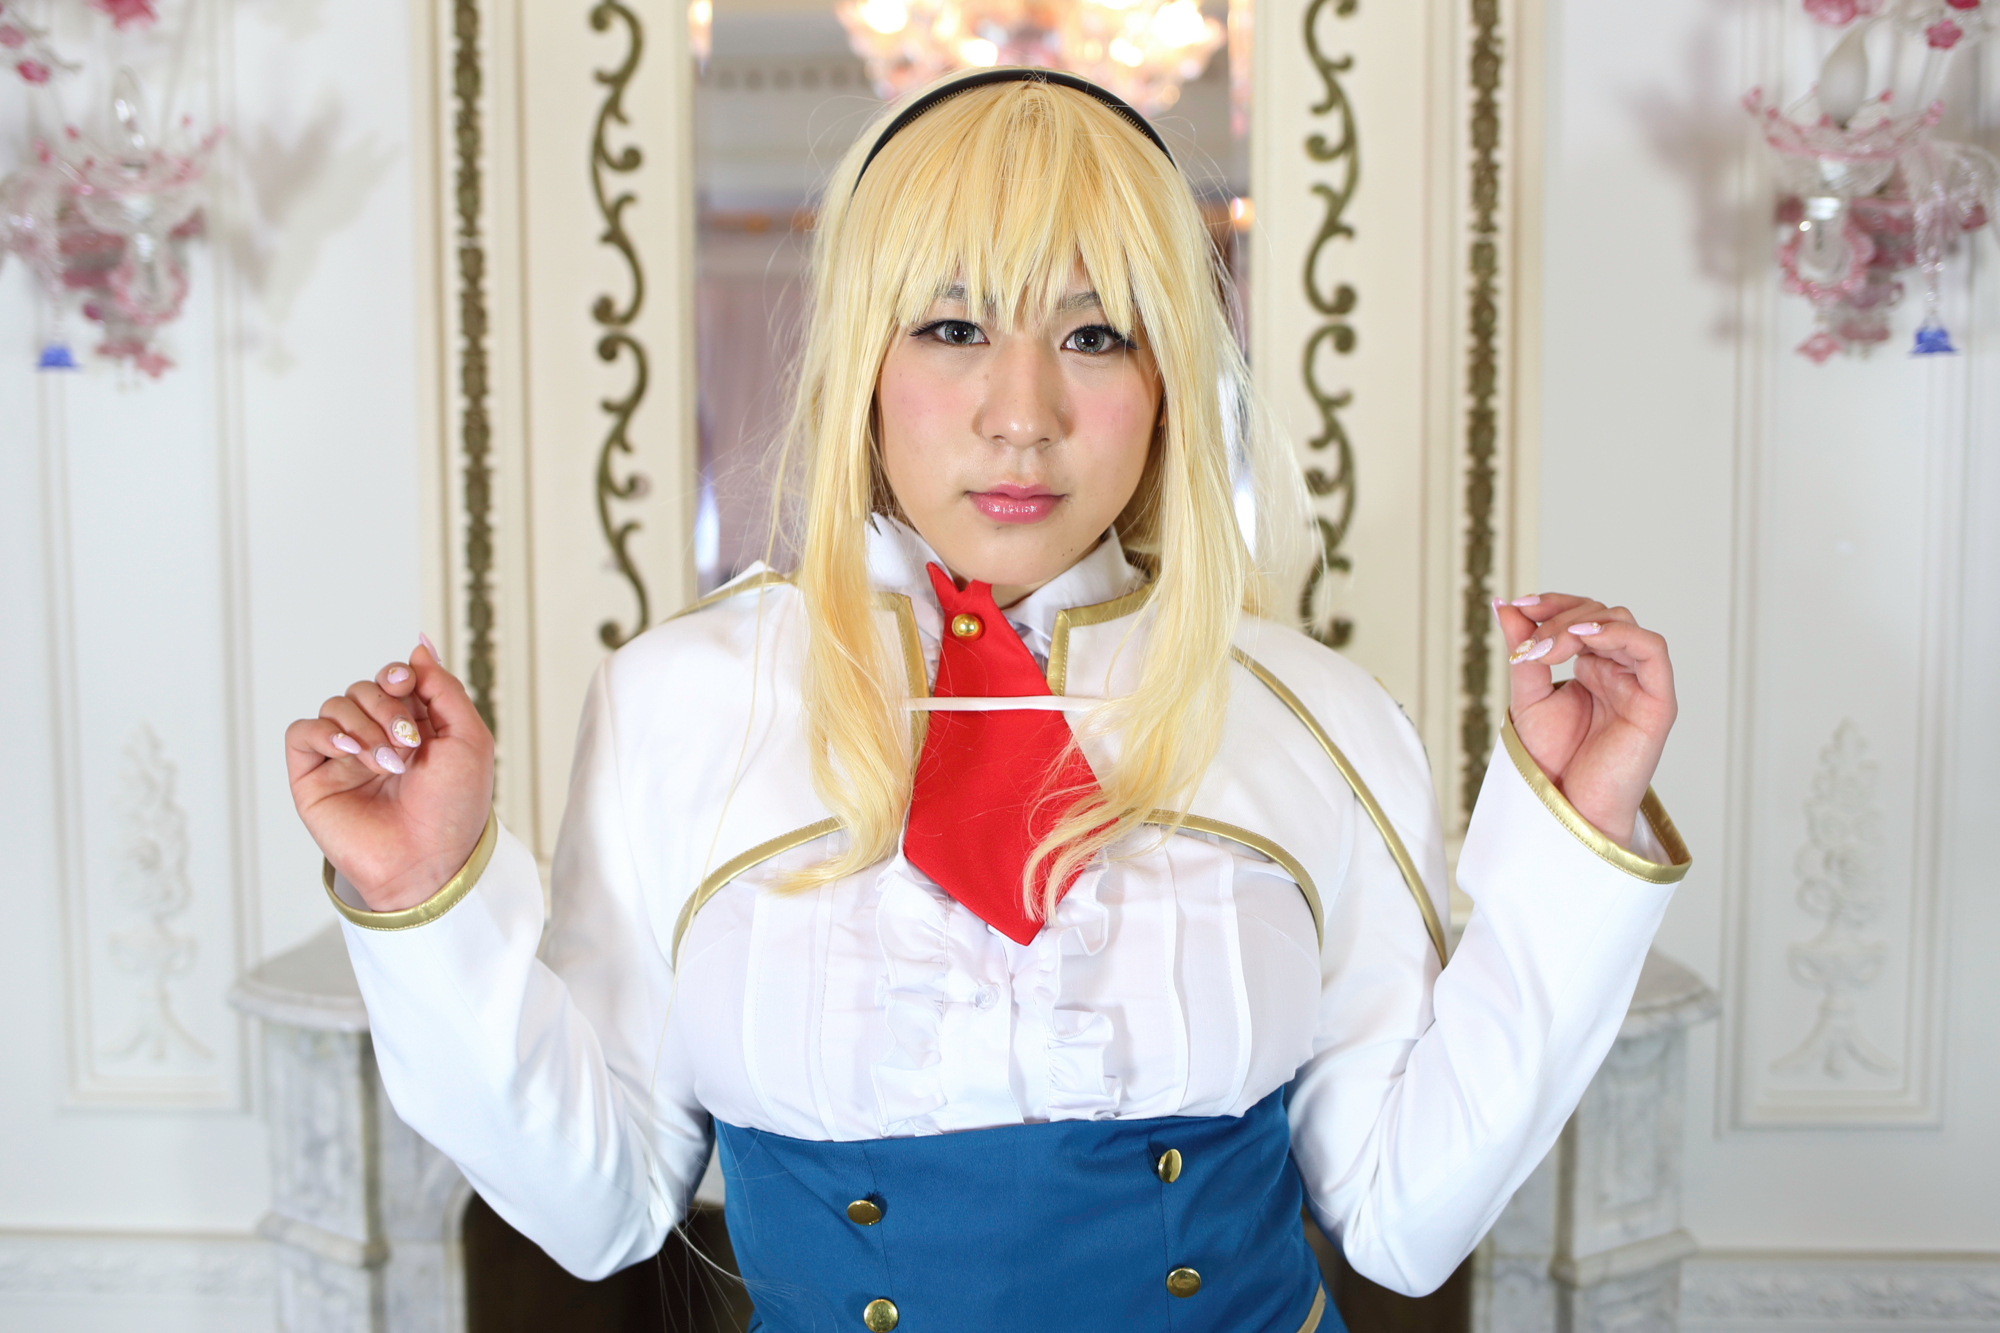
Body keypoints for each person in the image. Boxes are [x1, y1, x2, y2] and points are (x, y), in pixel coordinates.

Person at [285, 69, 1688, 1333]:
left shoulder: (1316, 717)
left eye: (1097, 336)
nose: (1024, 414)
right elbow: (597, 1209)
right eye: (954, 325)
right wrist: (425, 897)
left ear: (1168, 382)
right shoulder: (679, 702)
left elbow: (1408, 1221)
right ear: (863, 368)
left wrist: (1578, 831)